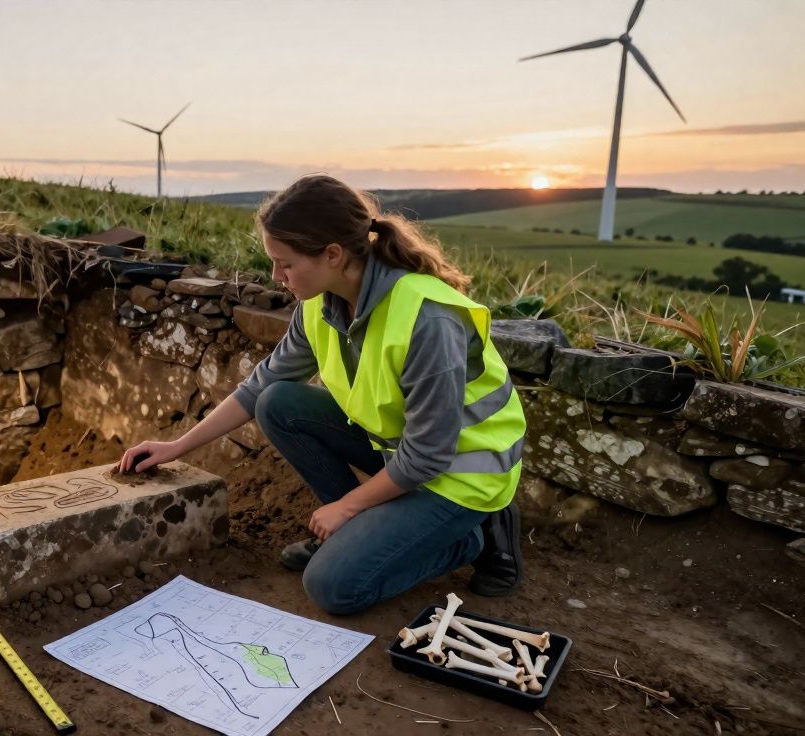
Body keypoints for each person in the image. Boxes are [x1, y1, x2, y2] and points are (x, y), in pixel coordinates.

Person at [116, 174, 526, 615]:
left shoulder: (428, 319)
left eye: (285, 263)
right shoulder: (320, 302)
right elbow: (261, 387)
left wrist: (348, 507)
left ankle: (470, 537)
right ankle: (364, 535)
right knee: (279, 403)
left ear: (333, 254)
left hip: (461, 473)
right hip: (400, 453)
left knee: (333, 588)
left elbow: (429, 455)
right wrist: (178, 447)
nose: (276, 276)